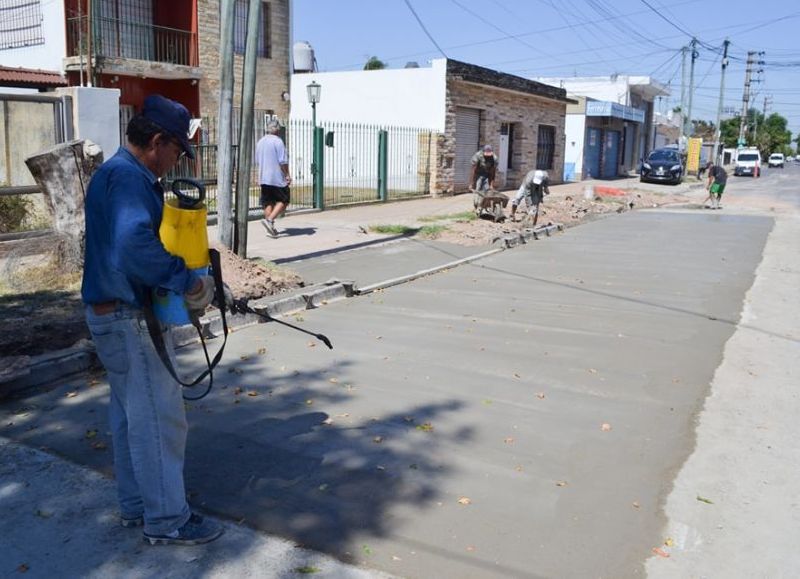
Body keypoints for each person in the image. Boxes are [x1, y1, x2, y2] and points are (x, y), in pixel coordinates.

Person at [82, 94, 223, 546]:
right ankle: (167, 520)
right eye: (177, 151)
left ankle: (137, 506)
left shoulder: (114, 173)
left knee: (129, 418)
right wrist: (185, 280)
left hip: (108, 314)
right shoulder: (129, 178)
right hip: (127, 319)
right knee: (161, 421)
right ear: (157, 141)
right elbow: (133, 246)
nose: (176, 161)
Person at [256, 119, 292, 238]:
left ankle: (270, 229)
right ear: (276, 129)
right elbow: (283, 160)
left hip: (264, 177)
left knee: (268, 202)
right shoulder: (278, 141)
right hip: (276, 177)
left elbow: (258, 160)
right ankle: (270, 220)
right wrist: (287, 174)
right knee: (284, 199)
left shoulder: (260, 142)